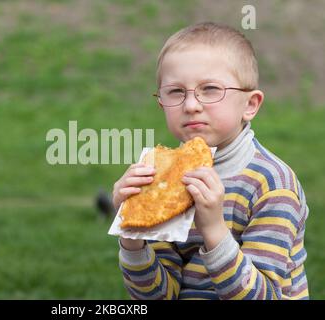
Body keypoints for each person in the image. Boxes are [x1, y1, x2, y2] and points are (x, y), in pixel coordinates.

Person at [112, 22, 309, 300]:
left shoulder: (272, 184)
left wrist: (214, 229)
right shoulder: (161, 179)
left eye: (211, 89)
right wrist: (132, 233)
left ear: (250, 105)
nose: (191, 105)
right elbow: (157, 296)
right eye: (176, 91)